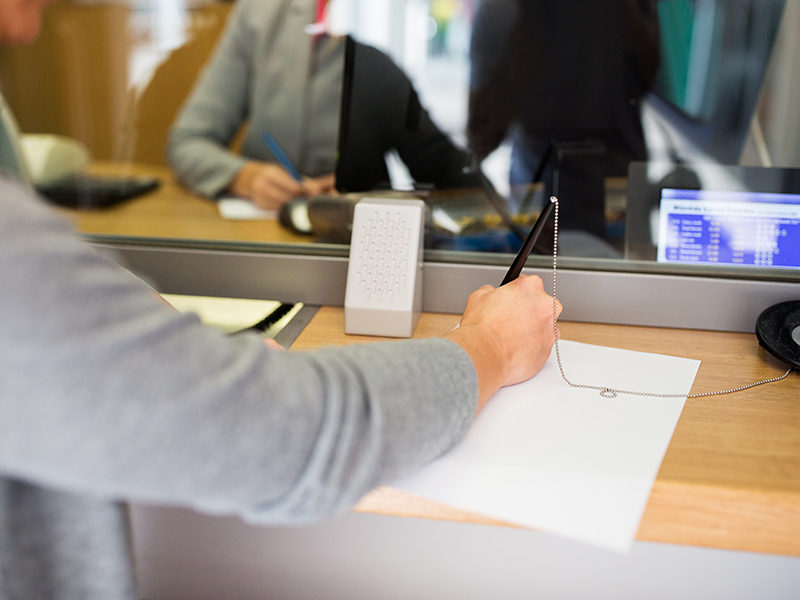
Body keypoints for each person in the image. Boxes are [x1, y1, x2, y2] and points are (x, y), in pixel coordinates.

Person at [0, 0, 561, 598]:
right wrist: (491, 347)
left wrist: (159, 341)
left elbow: (459, 177)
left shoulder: (374, 70)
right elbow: (289, 433)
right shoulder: (259, 30)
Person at [167, 0, 478, 211]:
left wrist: (362, 198)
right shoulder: (260, 18)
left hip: (354, 249)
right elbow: (188, 141)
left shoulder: (378, 38)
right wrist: (244, 177)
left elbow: (445, 168)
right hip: (262, 238)